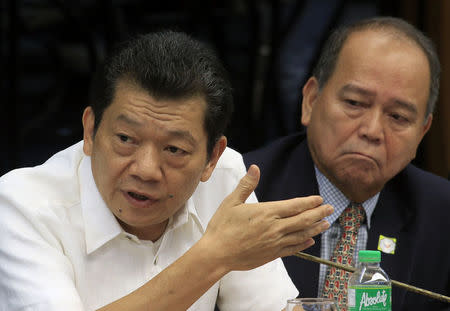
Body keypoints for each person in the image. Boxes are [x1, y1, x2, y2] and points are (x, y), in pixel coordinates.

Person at [0, 31, 335, 311]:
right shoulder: (21, 205)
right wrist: (213, 257)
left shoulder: (226, 178)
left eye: (174, 150)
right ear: (90, 131)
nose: (146, 170)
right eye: (126, 139)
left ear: (211, 158)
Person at [244, 16, 450, 311]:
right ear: (311, 101)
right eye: (354, 103)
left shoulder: (442, 217)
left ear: (422, 133)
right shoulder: (246, 193)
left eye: (398, 117)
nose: (373, 130)